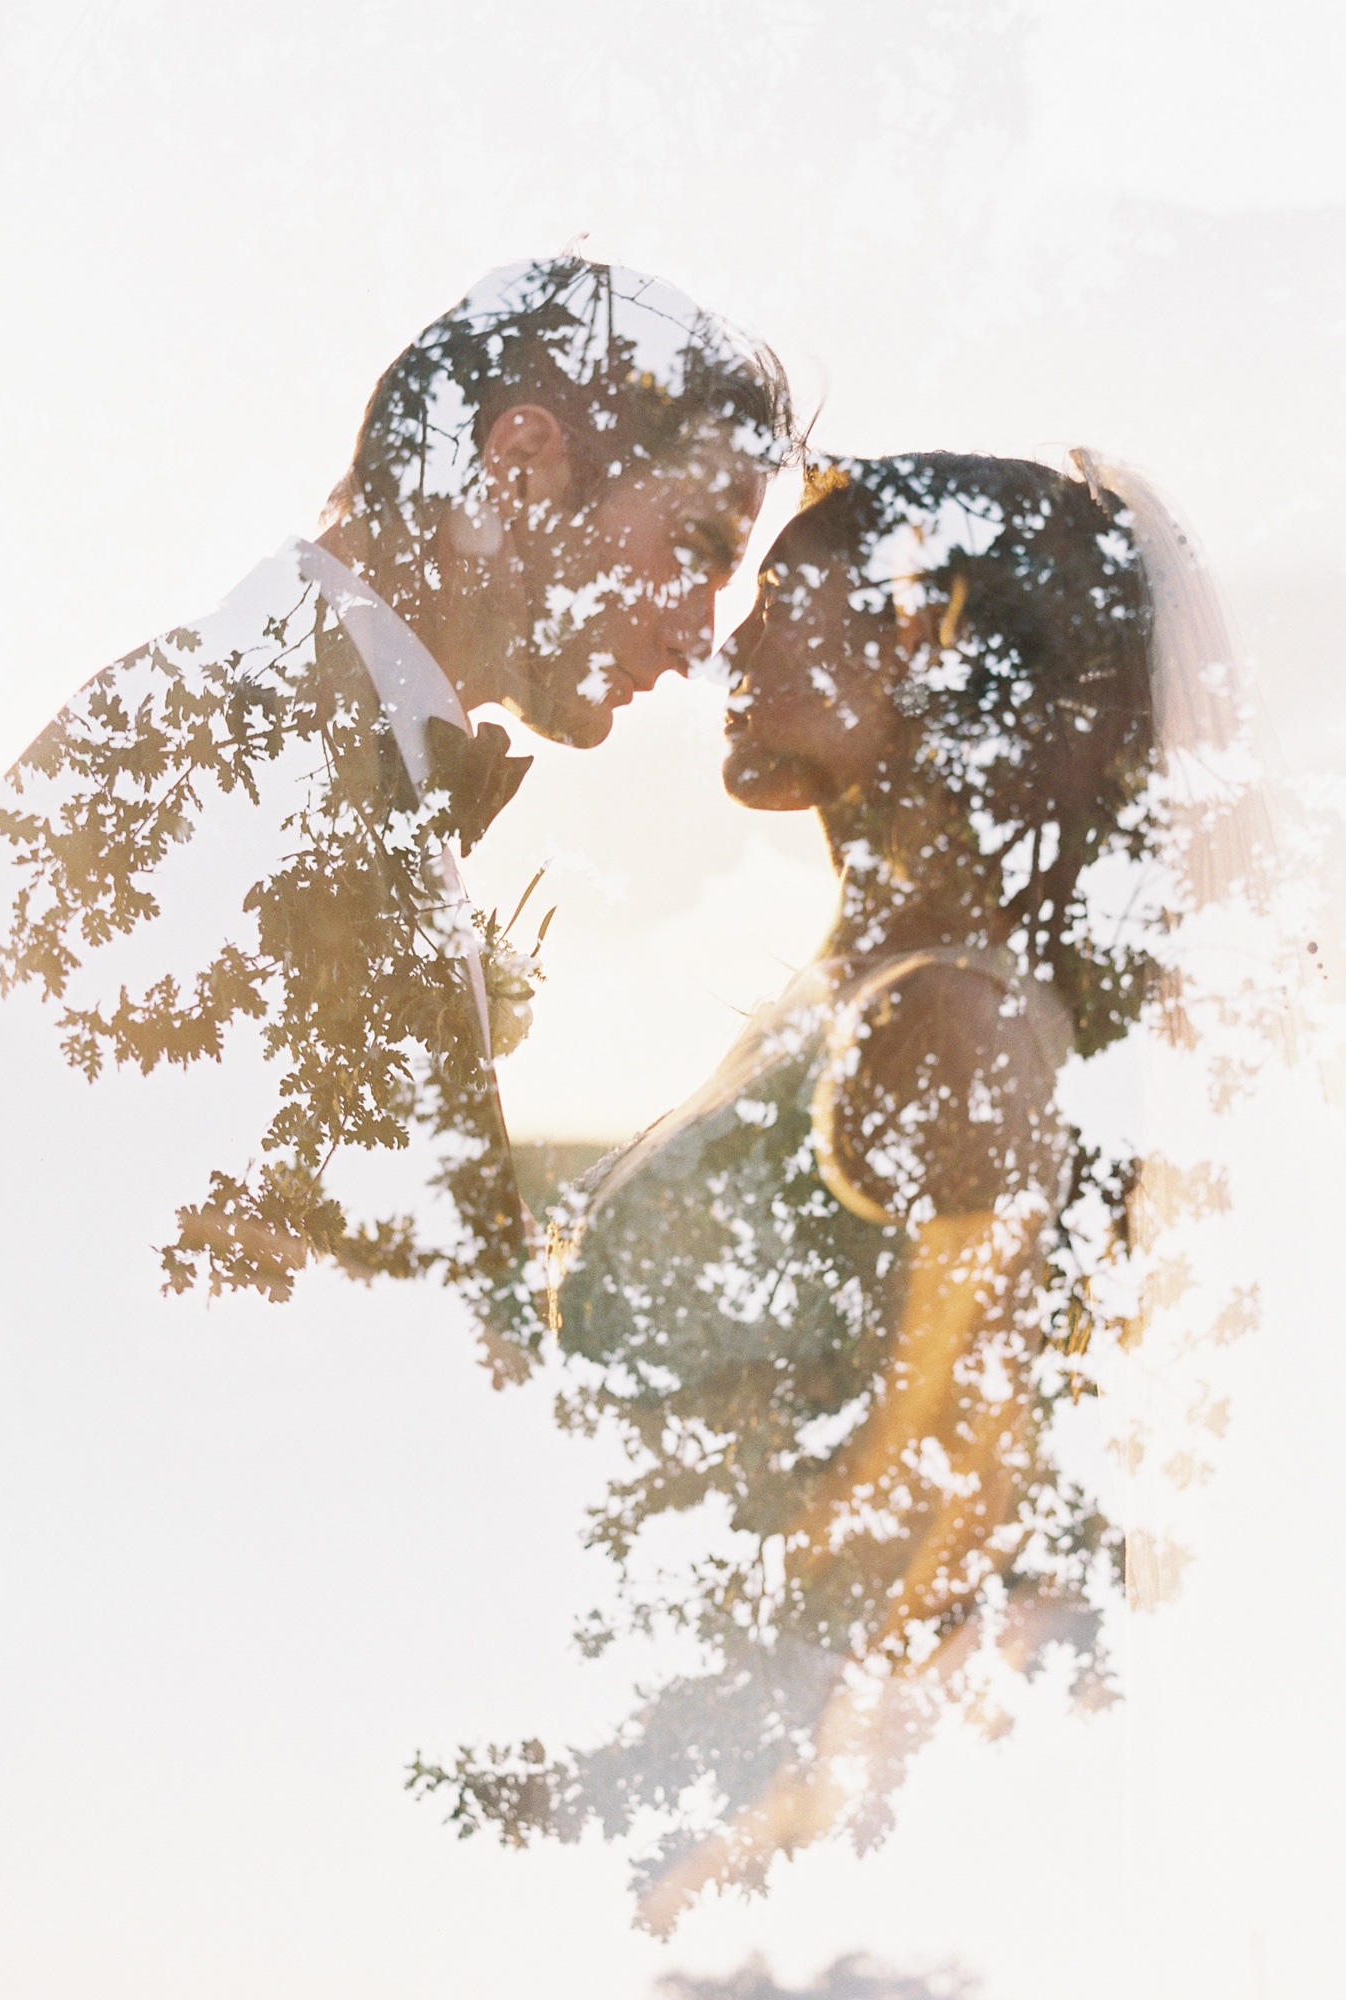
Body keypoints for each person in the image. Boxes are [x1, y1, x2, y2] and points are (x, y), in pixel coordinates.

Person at [410, 449, 1256, 1929]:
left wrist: (582, 1778)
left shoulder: (951, 1019)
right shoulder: (845, 993)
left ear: (921, 635)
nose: (732, 634)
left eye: (783, 589)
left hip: (727, 1819)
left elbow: (948, 1494)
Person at [0, 255, 792, 1333]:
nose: (698, 634)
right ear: (520, 467)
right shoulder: (208, 762)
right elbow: (230, 1343)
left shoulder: (255, 731)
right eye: (695, 548)